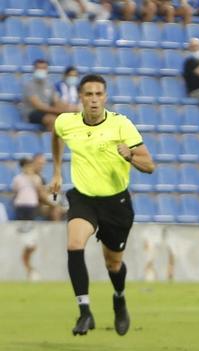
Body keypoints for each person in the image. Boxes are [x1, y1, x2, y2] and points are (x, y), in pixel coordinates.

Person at [49, 74, 156, 336]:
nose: (94, 100)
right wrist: (56, 172)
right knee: (74, 244)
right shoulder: (66, 122)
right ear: (80, 97)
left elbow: (150, 165)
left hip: (116, 203)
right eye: (89, 94)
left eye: (98, 94)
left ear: (105, 97)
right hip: (83, 198)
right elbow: (56, 135)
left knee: (113, 265)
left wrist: (130, 155)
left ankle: (119, 298)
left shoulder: (122, 125)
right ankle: (85, 312)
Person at [12, 155, 52, 281]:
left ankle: (30, 269)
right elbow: (15, 193)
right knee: (27, 239)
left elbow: (41, 192)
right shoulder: (18, 179)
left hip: (32, 209)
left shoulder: (36, 178)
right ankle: (29, 269)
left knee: (31, 241)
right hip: (21, 209)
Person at [21, 60, 75, 133]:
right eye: (39, 68)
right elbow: (38, 106)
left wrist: (70, 108)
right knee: (51, 119)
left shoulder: (49, 85)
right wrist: (59, 111)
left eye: (43, 68)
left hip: (48, 111)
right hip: (32, 113)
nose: (41, 71)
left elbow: (56, 101)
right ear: (34, 69)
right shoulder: (29, 85)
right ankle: (52, 143)